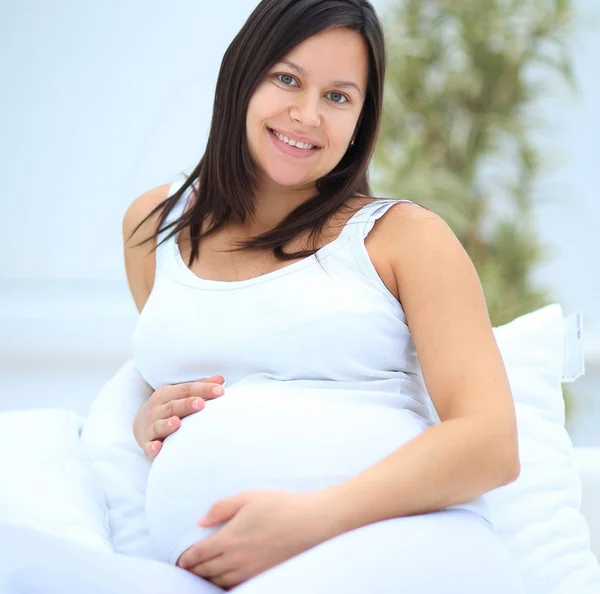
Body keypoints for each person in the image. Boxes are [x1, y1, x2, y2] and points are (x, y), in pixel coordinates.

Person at [123, 0, 527, 592]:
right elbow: (184, 382)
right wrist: (147, 421)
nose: (307, 115)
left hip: (408, 544)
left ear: (362, 118)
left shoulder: (405, 237)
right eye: (287, 79)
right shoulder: (154, 225)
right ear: (242, 77)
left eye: (339, 97)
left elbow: (492, 444)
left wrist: (313, 518)